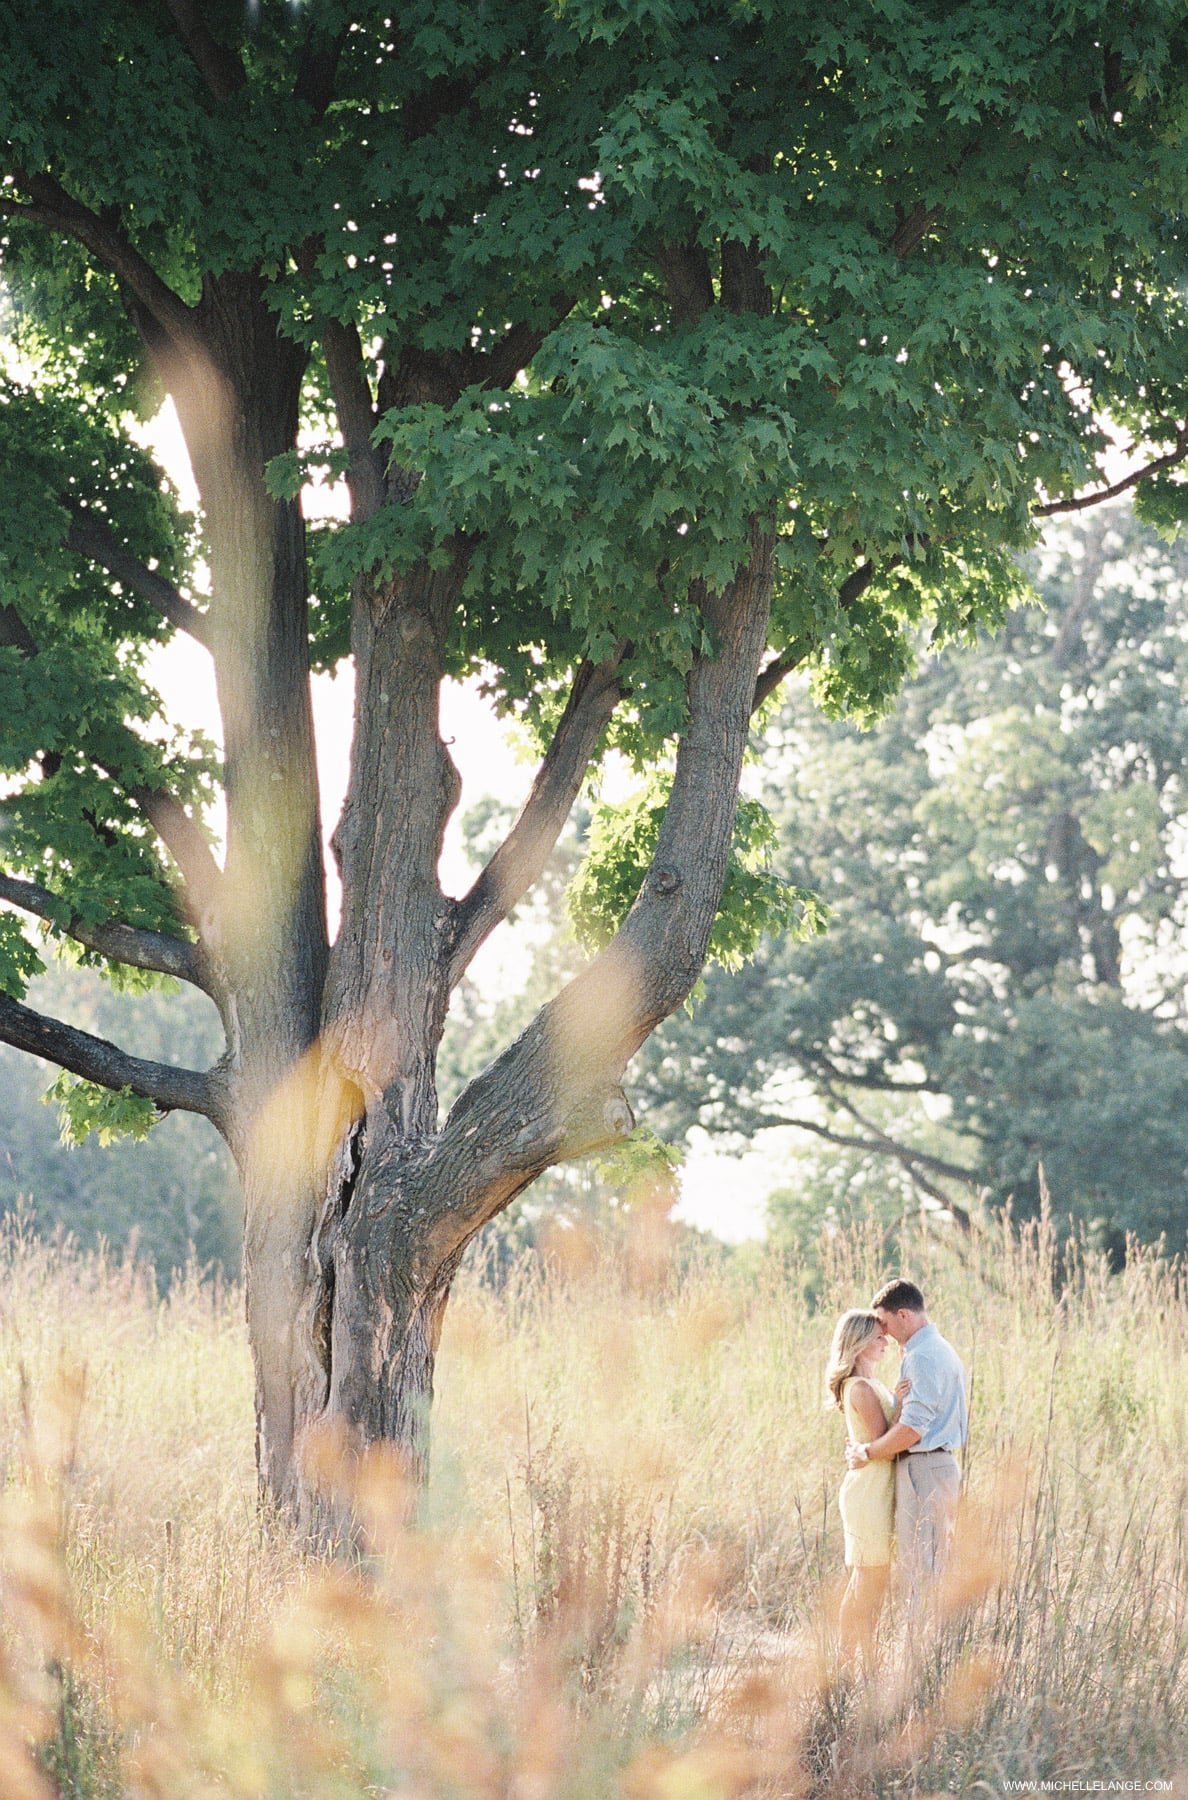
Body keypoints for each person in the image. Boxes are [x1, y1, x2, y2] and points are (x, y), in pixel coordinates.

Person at [844, 1278, 968, 1602]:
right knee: (931, 1566)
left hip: (923, 1468)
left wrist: (867, 1452)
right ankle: (928, 1650)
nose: (883, 1333)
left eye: (884, 1323)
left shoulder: (922, 1356)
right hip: (936, 1467)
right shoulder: (937, 1348)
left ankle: (918, 1653)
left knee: (921, 1570)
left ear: (903, 1315)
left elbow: (913, 1430)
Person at [825, 1308, 910, 1669]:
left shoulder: (868, 1384)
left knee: (872, 1578)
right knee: (867, 1578)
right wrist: (902, 1403)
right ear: (858, 1344)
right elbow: (882, 1441)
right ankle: (846, 1661)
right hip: (868, 1492)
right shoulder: (859, 1387)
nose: (885, 1341)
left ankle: (863, 1661)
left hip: (875, 1486)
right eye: (877, 1337)